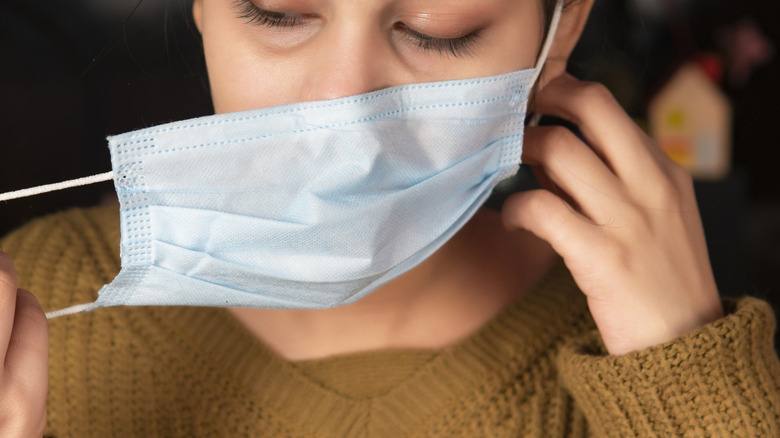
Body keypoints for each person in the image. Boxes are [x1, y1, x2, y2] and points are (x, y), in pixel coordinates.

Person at [1, 0, 778, 436]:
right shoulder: (27, 312)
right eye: (277, 15)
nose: (345, 107)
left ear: (560, 31)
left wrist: (693, 388)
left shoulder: (665, 354)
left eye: (437, 34)